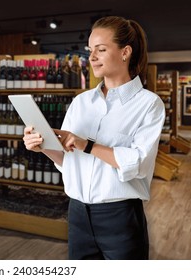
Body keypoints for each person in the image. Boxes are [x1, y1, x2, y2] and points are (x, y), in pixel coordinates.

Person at [23, 16, 165, 260]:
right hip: (77, 214)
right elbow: (69, 160)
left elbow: (139, 163)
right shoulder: (81, 102)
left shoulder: (149, 104)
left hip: (119, 218)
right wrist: (43, 147)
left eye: (101, 49)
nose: (92, 57)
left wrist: (86, 144)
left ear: (125, 52)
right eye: (90, 50)